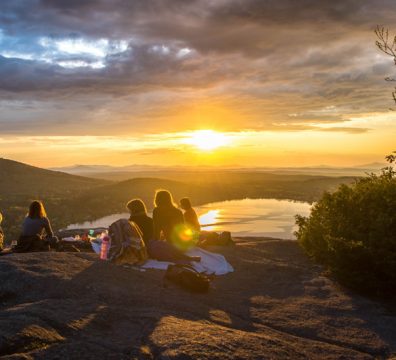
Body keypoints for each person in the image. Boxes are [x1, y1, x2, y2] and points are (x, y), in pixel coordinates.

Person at [129, 197, 200, 263]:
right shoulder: (149, 220)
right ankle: (186, 258)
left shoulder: (131, 222)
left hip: (149, 245)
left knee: (163, 246)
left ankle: (186, 258)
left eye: (130, 211)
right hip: (151, 245)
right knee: (164, 247)